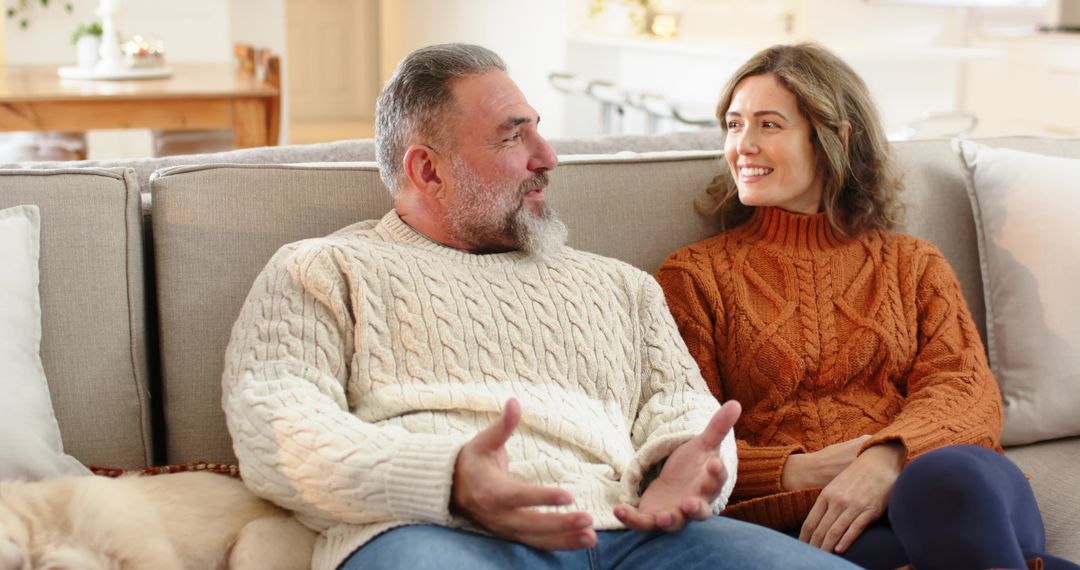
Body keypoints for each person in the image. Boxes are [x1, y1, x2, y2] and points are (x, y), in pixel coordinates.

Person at [221, 43, 854, 570]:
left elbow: (681, 403)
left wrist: (683, 459)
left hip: (637, 530)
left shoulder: (619, 285)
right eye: (512, 138)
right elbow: (275, 428)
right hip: (439, 532)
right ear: (428, 171)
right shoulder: (323, 270)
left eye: (538, 131)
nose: (547, 158)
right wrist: (448, 480)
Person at [657, 42, 1078, 570]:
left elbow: (967, 393)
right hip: (823, 520)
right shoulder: (695, 278)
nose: (743, 145)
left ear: (836, 137)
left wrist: (888, 456)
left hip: (959, 483)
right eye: (734, 124)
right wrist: (799, 470)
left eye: (768, 125)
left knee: (943, 483)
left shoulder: (912, 263)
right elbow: (682, 440)